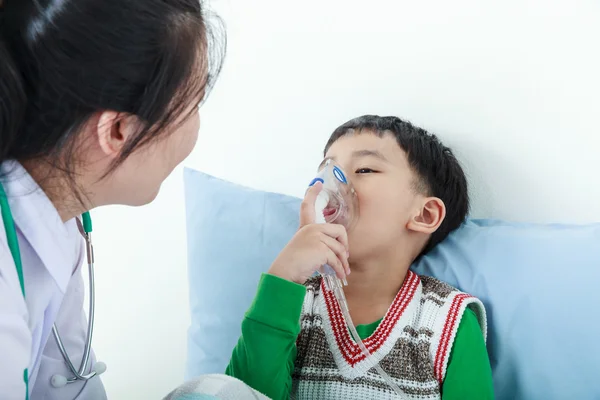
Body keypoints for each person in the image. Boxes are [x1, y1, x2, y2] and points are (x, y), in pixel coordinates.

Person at [0, 0, 224, 398]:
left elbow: (66, 384)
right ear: (118, 130)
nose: (197, 128)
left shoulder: (58, 222)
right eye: (194, 101)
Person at [226, 115, 494, 399]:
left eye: (364, 169)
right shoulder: (292, 305)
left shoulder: (446, 323)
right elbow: (243, 393)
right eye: (327, 169)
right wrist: (282, 278)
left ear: (424, 215)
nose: (331, 185)